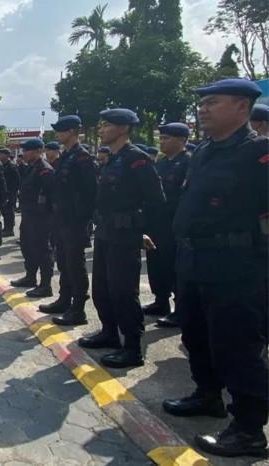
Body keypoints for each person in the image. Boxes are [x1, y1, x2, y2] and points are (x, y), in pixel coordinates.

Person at [162, 78, 268, 458]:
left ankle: (249, 429)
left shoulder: (259, 153)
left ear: (242, 107)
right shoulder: (204, 151)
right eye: (202, 103)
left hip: (236, 266)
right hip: (194, 260)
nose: (203, 109)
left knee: (237, 346)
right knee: (196, 335)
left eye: (213, 102)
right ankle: (207, 395)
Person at [78, 108, 165, 369]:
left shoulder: (137, 159)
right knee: (102, 288)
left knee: (123, 292)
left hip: (125, 236)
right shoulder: (113, 159)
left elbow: (155, 201)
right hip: (106, 233)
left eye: (107, 125)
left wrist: (141, 231)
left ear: (124, 128)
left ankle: (132, 348)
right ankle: (109, 332)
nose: (101, 129)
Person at [39, 116, 97, 328]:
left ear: (72, 131)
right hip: (61, 219)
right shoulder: (66, 156)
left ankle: (78, 309)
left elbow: (91, 192)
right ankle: (64, 300)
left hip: (75, 221)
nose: (58, 134)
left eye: (61, 130)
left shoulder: (82, 157)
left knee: (75, 265)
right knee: (63, 262)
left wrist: (83, 220)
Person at [142, 123, 190, 328]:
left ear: (182, 140)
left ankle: (181, 310)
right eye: (161, 138)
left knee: (175, 267)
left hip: (174, 224)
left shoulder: (188, 163)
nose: (162, 142)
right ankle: (161, 301)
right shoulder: (161, 163)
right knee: (156, 264)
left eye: (167, 138)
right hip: (157, 223)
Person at [11, 138, 55, 297]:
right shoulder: (31, 168)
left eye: (27, 150)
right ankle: (30, 277)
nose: (24, 154)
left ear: (38, 151)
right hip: (29, 215)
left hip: (41, 218)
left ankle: (45, 285)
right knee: (27, 247)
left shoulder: (45, 169)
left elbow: (51, 195)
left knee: (42, 250)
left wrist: (46, 216)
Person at [0, 148, 20, 237]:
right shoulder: (2, 165)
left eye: (1, 154)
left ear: (6, 155)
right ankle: (6, 228)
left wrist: (12, 192)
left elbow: (16, 181)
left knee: (9, 212)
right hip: (4, 192)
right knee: (4, 211)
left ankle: (9, 230)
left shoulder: (11, 166)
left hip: (10, 193)